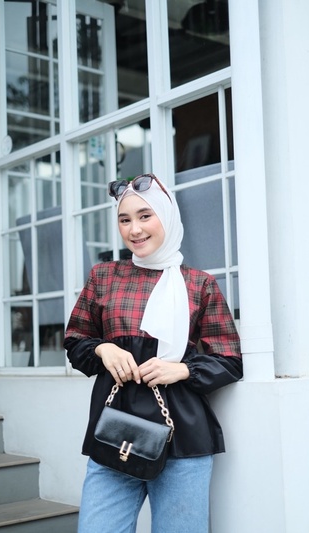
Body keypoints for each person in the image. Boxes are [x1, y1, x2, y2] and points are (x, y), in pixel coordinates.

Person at [63, 173, 243, 533]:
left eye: (145, 216)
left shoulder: (200, 284)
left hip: (183, 441)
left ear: (167, 216)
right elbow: (76, 340)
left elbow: (229, 359)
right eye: (124, 219)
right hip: (114, 434)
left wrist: (183, 370)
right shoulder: (104, 277)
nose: (135, 229)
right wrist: (103, 348)